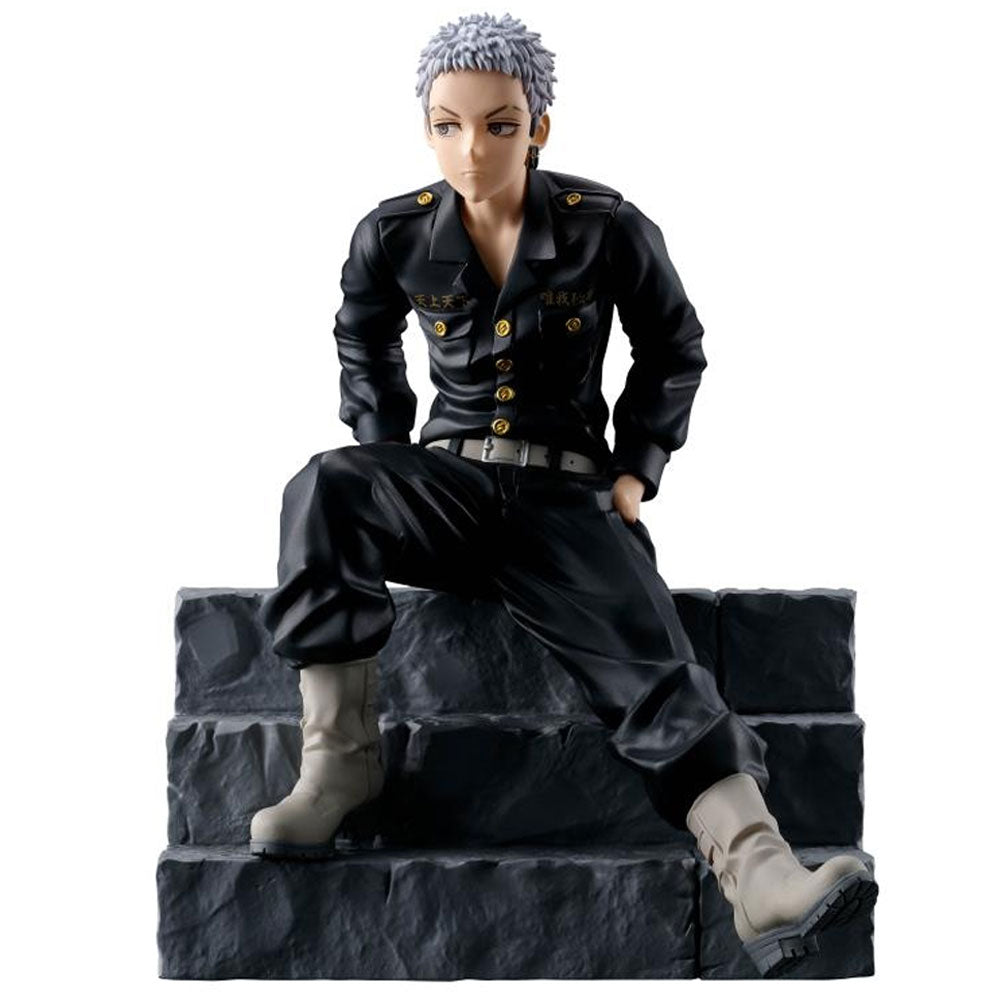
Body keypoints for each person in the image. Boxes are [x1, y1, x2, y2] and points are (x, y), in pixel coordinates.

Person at [249, 12, 877, 978]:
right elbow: (361, 335)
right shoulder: (393, 231)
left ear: (538, 126)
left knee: (653, 670)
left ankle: (759, 877)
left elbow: (673, 346)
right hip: (448, 486)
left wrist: (638, 466)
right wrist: (384, 450)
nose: (472, 148)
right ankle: (339, 765)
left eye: (499, 124)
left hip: (566, 497)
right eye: (448, 125)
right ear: (425, 129)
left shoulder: (604, 224)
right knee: (324, 487)